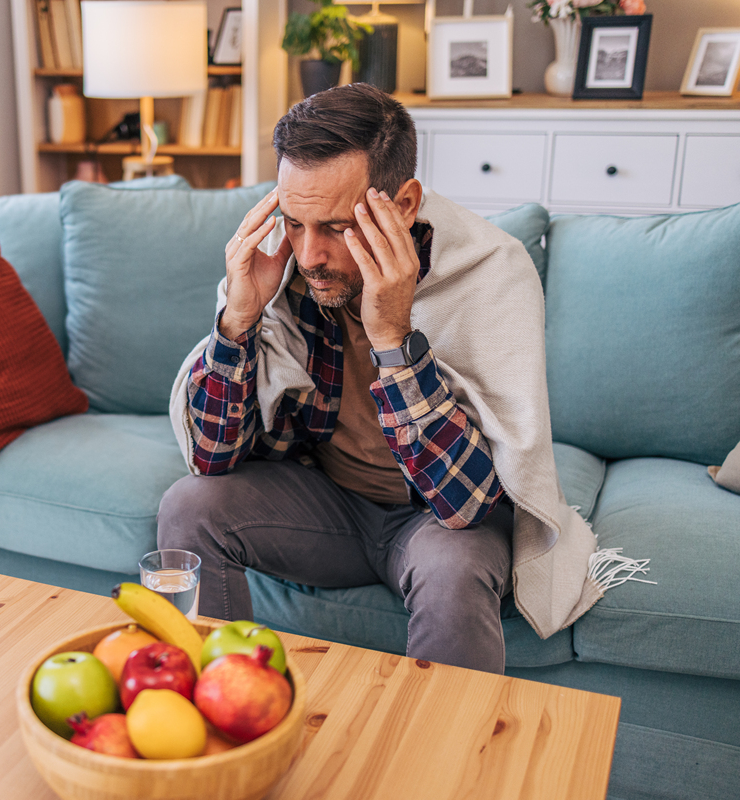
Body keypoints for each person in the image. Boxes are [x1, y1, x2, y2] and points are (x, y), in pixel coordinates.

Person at [160, 84, 640, 674]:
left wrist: (393, 339)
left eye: (337, 227)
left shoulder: (492, 269)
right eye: (294, 221)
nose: (309, 255)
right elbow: (211, 458)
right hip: (329, 505)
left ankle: (444, 761)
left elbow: (465, 505)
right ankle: (213, 711)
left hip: (436, 517)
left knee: (454, 569)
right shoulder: (277, 266)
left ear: (405, 205)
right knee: (189, 506)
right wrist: (237, 321)